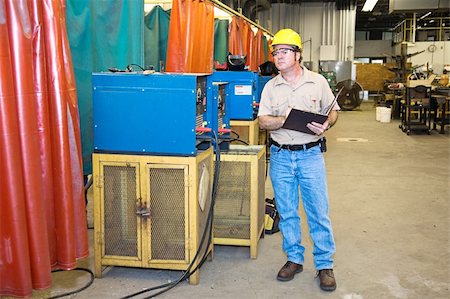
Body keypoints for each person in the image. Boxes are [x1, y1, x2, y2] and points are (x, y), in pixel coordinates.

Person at [258, 28, 339, 292]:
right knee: (288, 211)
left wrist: (326, 123)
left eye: (284, 51)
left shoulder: (317, 82)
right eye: (275, 52)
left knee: (318, 211)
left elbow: (334, 112)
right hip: (281, 156)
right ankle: (294, 258)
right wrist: (285, 120)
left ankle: (325, 264)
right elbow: (263, 121)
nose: (278, 56)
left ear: (297, 55)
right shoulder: (271, 87)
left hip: (310, 155)